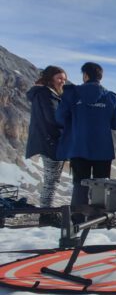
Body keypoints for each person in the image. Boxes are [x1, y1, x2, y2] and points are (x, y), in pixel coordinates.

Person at [56, 62, 116, 223]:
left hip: (78, 147)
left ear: (85, 75)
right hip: (103, 149)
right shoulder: (111, 97)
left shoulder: (71, 94)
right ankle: (99, 218)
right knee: (101, 184)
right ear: (100, 77)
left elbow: (60, 118)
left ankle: (77, 219)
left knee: (80, 183)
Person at [25, 66, 67, 226]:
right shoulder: (46, 94)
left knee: (52, 179)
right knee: (51, 180)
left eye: (64, 78)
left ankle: (46, 212)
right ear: (50, 78)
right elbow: (53, 118)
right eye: (59, 78)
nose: (62, 81)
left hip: (47, 141)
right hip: (50, 143)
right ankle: (46, 215)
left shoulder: (44, 93)